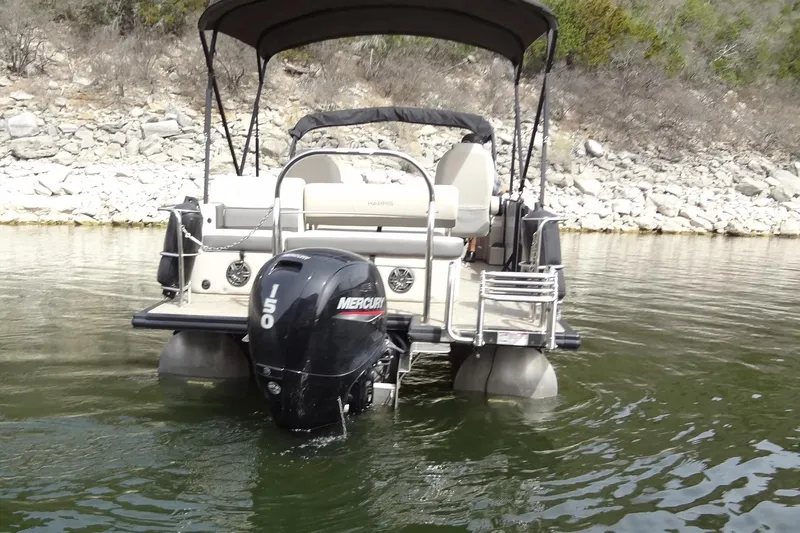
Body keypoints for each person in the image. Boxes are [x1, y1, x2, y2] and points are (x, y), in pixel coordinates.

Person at [460, 134, 508, 262]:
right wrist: (506, 189)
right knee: (480, 210)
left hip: (453, 206)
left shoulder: (451, 161)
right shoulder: (485, 164)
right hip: (476, 208)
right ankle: (471, 251)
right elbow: (496, 190)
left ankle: (466, 248)